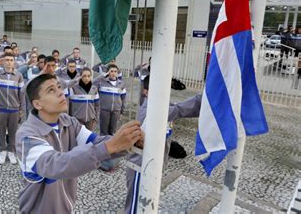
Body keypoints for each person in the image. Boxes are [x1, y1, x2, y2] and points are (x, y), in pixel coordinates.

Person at [16, 73, 144, 213]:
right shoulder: (26, 135)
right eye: (51, 90)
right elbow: (56, 165)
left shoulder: (68, 122)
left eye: (59, 87)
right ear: (37, 104)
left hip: (66, 208)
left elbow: (96, 141)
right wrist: (110, 146)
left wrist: (129, 142)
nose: (60, 92)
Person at [124, 75, 201, 214]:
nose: (161, 92)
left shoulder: (162, 106)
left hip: (152, 165)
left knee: (145, 203)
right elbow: (183, 109)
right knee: (134, 207)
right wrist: (206, 97)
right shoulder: (154, 110)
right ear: (146, 92)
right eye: (157, 89)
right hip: (139, 167)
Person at [94, 64, 126, 135]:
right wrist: (102, 75)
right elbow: (93, 83)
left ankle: (112, 145)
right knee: (104, 132)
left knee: (113, 132)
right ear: (108, 72)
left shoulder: (121, 84)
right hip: (104, 110)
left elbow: (123, 98)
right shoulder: (102, 82)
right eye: (111, 71)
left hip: (116, 111)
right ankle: (103, 145)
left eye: (115, 71)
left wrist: (122, 111)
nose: (113, 73)